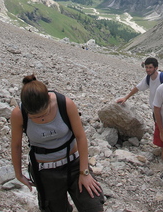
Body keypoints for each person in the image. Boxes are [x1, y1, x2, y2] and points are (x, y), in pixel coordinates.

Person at [11, 74, 104, 212]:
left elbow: (81, 137)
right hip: (45, 172)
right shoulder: (19, 114)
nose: (41, 119)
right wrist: (18, 173)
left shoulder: (65, 104)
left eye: (44, 114)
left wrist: (84, 173)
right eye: (35, 117)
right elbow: (16, 145)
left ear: (49, 99)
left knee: (93, 206)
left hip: (74, 165)